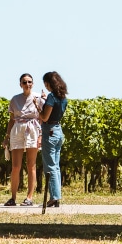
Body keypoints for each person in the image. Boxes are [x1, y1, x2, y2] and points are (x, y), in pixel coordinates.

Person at [1, 73, 43, 206]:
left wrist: (41, 135)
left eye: (29, 82)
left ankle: (29, 197)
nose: (27, 84)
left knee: (31, 165)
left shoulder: (38, 98)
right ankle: (13, 197)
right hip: (18, 130)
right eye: (24, 82)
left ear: (33, 83)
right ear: (20, 84)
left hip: (32, 130)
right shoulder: (15, 99)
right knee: (15, 166)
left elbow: (42, 118)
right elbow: (11, 120)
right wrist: (6, 138)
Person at [39, 71, 68, 208]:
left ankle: (53, 197)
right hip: (58, 130)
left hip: (49, 131)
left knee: (49, 166)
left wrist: (37, 106)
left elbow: (44, 117)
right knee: (56, 165)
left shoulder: (51, 97)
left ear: (48, 83)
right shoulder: (62, 98)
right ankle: (56, 196)